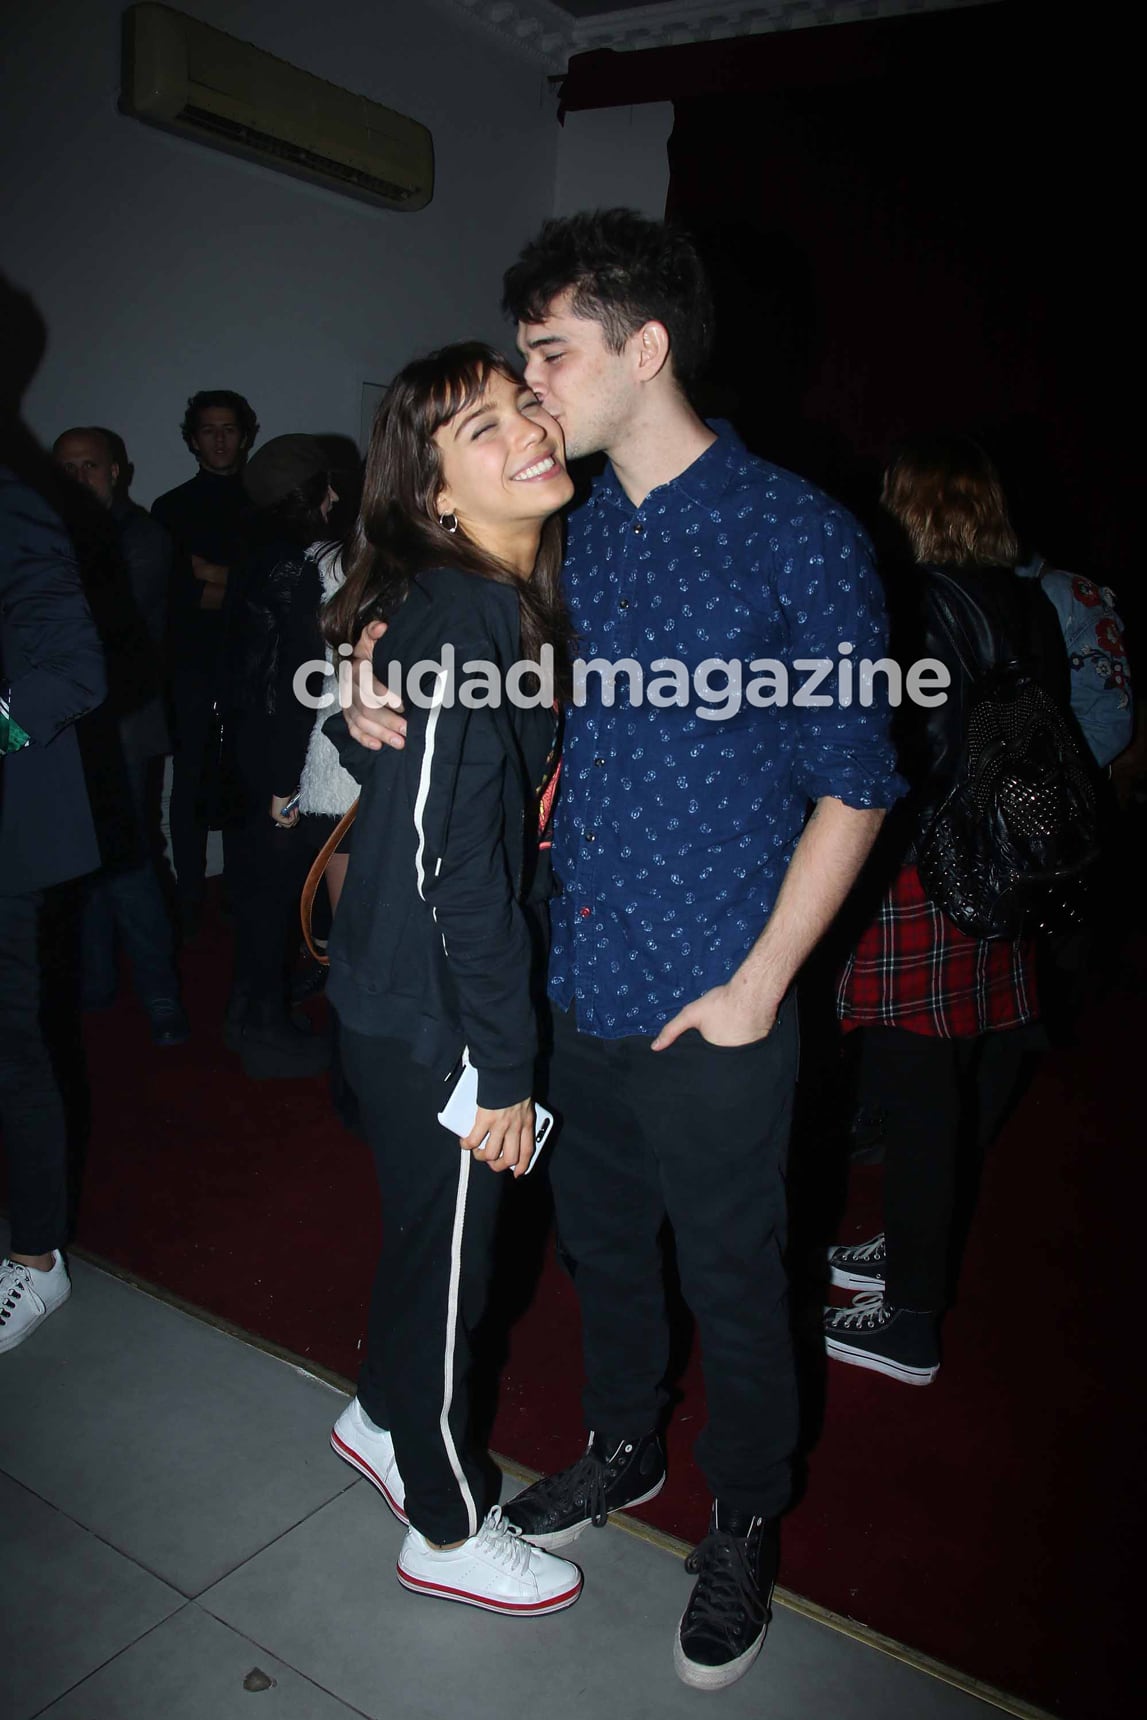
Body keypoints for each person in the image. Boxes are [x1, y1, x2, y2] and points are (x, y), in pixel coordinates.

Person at [342, 212, 902, 1689]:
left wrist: (760, 984)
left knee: (738, 1275)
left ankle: (741, 1516)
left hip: (717, 993)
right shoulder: (564, 533)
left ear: (640, 350)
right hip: (566, 983)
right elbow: (421, 574)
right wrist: (361, 668)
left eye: (548, 356)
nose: (529, 392)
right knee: (601, 1259)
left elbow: (856, 777)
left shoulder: (799, 532)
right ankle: (616, 1446)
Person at [322, 342, 583, 1619]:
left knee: (430, 1242)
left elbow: (422, 770)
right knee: (457, 1273)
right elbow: (450, 863)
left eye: (523, 405)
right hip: (437, 1003)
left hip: (413, 987)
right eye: (482, 429)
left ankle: (377, 1417)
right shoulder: (467, 609)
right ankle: (441, 1517)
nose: (528, 429)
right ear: (433, 498)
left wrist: (353, 711)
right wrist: (507, 1062)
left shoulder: (498, 597)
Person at [828, 436, 1073, 1383]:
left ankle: (912, 1316)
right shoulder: (1027, 597)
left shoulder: (919, 602)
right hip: (1001, 869)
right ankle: (908, 1243)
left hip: (926, 872)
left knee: (919, 1097)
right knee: (948, 1084)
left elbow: (907, 762)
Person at [1, 462, 107, 1351]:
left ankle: (36, 1262)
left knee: (13, 1050)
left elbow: (73, 669)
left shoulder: (9, 501)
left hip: (6, 845)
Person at [53, 426, 188, 1044]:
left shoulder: (142, 536)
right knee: (87, 857)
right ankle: (99, 984)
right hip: (74, 725)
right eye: (67, 468)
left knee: (127, 859)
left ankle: (162, 999)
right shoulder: (65, 535)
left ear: (116, 472)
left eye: (89, 466)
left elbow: (96, 625)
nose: (78, 477)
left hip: (123, 729)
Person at [223, 435, 337, 1079]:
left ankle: (251, 1015)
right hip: (280, 751)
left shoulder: (255, 552)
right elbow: (297, 676)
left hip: (252, 741)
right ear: (315, 493)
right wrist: (284, 781)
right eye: (330, 485)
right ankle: (264, 1030)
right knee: (274, 898)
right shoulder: (305, 563)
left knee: (255, 892)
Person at [152, 390, 258, 930]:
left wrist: (215, 577)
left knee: (250, 781)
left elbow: (266, 594)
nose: (220, 439)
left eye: (229, 428)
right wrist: (234, 582)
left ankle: (240, 894)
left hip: (253, 668)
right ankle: (190, 896)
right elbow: (178, 594)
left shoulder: (264, 504)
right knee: (189, 782)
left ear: (245, 434)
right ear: (193, 440)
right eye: (209, 430)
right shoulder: (171, 510)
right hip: (191, 667)